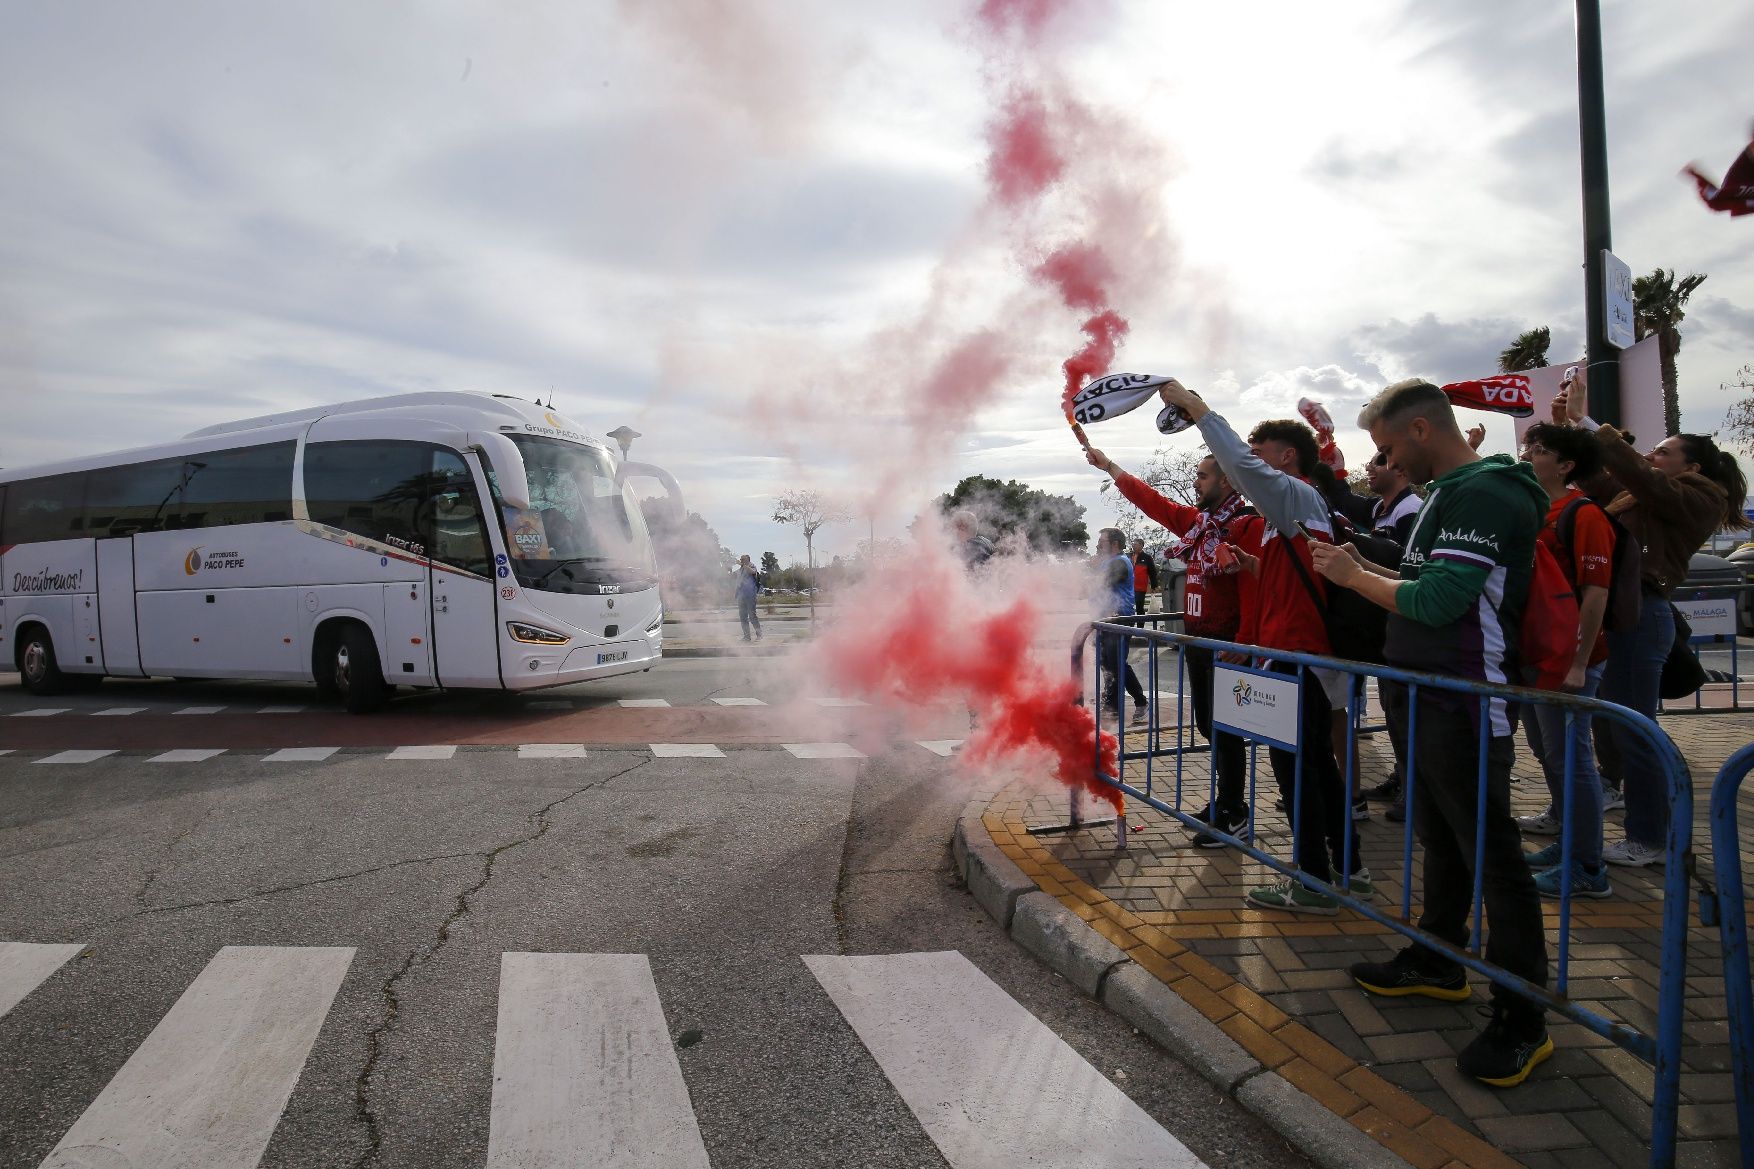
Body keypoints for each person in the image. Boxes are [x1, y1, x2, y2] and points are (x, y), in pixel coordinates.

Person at [1312, 378, 1551, 1088]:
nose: (1379, 460)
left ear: (1420, 430)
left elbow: (1443, 600)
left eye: (1385, 446)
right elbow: (1418, 575)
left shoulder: (1484, 493)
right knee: (1439, 835)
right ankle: (1441, 957)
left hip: (1465, 698)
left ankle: (1523, 1013)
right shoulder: (1449, 491)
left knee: (1491, 853)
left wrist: (1355, 576)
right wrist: (1359, 557)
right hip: (1423, 690)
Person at [1157, 382, 1371, 911]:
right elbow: (1296, 578)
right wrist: (1254, 567)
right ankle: (1349, 866)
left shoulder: (1293, 494)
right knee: (1317, 764)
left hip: (1296, 655)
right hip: (1294, 652)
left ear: (1287, 456)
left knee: (1296, 768)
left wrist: (1197, 407)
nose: (1250, 464)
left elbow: (1242, 466)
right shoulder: (1291, 514)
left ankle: (1313, 880)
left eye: (1260, 453)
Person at [1554, 372, 1749, 867]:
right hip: (1618, 615)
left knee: (1635, 728)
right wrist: (1571, 437)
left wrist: (1586, 420)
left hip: (1643, 617)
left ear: (1693, 465)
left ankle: (1651, 836)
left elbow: (1640, 476)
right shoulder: (1642, 493)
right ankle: (1613, 796)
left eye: (1663, 451)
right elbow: (1603, 481)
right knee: (1609, 722)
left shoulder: (1701, 496)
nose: (1650, 457)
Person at [1088, 448, 1252, 847]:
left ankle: (1235, 814)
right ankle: (1224, 802)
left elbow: (1255, 588)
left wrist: (1247, 640)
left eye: (1203, 476)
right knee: (1209, 726)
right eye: (1196, 475)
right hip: (1199, 642)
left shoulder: (1246, 526)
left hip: (1227, 645)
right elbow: (1153, 502)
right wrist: (1111, 466)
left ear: (1227, 481)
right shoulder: (1199, 525)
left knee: (1226, 730)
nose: (1196, 482)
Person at [1516, 423, 1616, 898]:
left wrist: (1579, 662)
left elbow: (1596, 593)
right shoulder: (1534, 509)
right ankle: (1569, 841)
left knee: (1572, 759)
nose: (1527, 456)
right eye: (1528, 447)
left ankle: (1588, 866)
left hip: (1569, 661)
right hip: (1537, 656)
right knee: (1549, 752)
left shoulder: (1584, 514)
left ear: (1566, 464)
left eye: (1538, 451)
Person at [1360, 449, 1422, 822]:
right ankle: (1401, 778)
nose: (1369, 468)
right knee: (1393, 711)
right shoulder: (1381, 509)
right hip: (1385, 622)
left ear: (1398, 469)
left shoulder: (1410, 509)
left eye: (1378, 462)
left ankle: (1415, 789)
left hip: (1405, 619)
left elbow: (1406, 569)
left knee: (1406, 712)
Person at [1092, 527, 1150, 726]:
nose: (1099, 544)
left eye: (1102, 540)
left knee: (1116, 664)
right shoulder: (1107, 562)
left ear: (1114, 543)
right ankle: (1117, 704)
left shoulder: (1120, 562)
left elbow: (1104, 583)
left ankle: (1132, 704)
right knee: (1108, 663)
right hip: (1106, 619)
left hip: (1119, 619)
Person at [733, 554, 762, 642]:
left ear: (747, 559)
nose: (741, 560)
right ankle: (747, 636)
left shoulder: (750, 565)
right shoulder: (740, 570)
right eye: (740, 559)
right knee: (743, 617)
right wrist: (736, 593)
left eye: (743, 559)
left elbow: (753, 572)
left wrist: (743, 565)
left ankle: (759, 635)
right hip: (741, 596)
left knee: (752, 615)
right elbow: (738, 582)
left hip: (750, 595)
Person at [1129, 537, 1159, 616]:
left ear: (1141, 546)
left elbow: (1152, 572)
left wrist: (1154, 585)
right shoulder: (1128, 556)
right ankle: (1128, 625)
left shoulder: (1147, 557)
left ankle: (1140, 626)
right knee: (1128, 606)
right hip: (1129, 586)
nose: (1133, 546)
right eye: (1133, 544)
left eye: (1136, 544)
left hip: (1140, 587)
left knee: (1139, 606)